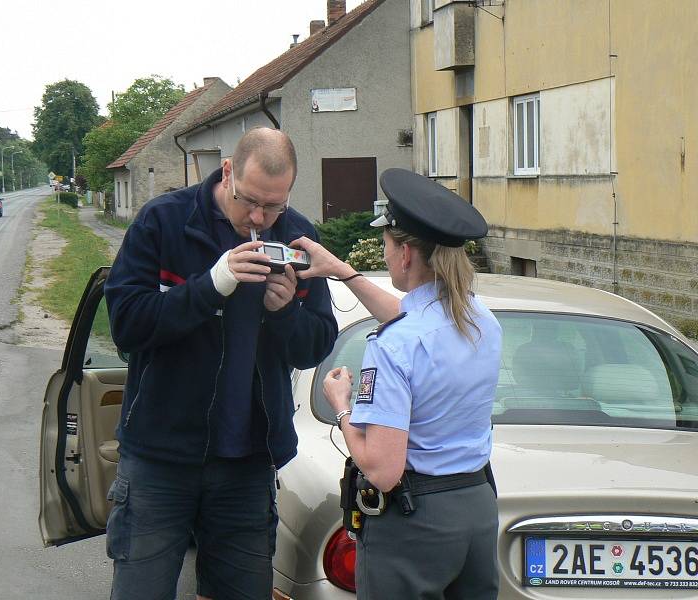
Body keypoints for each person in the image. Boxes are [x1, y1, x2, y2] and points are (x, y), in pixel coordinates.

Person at [103, 127, 337, 600]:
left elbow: (315, 346)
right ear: (227, 171)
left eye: (273, 206)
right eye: (248, 200)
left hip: (247, 463)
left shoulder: (297, 237)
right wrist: (211, 285)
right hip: (159, 459)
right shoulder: (163, 223)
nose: (257, 217)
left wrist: (285, 312)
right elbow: (127, 327)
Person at [293, 168, 503, 599]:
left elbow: (382, 470)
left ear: (405, 254)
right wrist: (340, 270)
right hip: (476, 508)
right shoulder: (481, 319)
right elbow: (410, 317)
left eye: (388, 245)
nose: (387, 256)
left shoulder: (394, 346)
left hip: (415, 525)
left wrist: (342, 406)